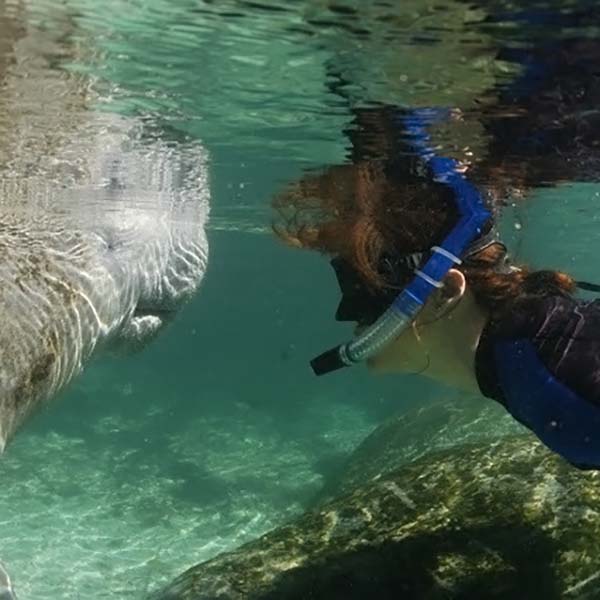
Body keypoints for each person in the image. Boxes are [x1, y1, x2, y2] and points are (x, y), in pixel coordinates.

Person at [273, 101, 600, 470]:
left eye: (364, 287)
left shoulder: (566, 395)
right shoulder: (531, 357)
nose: (345, 314)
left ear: (445, 291)